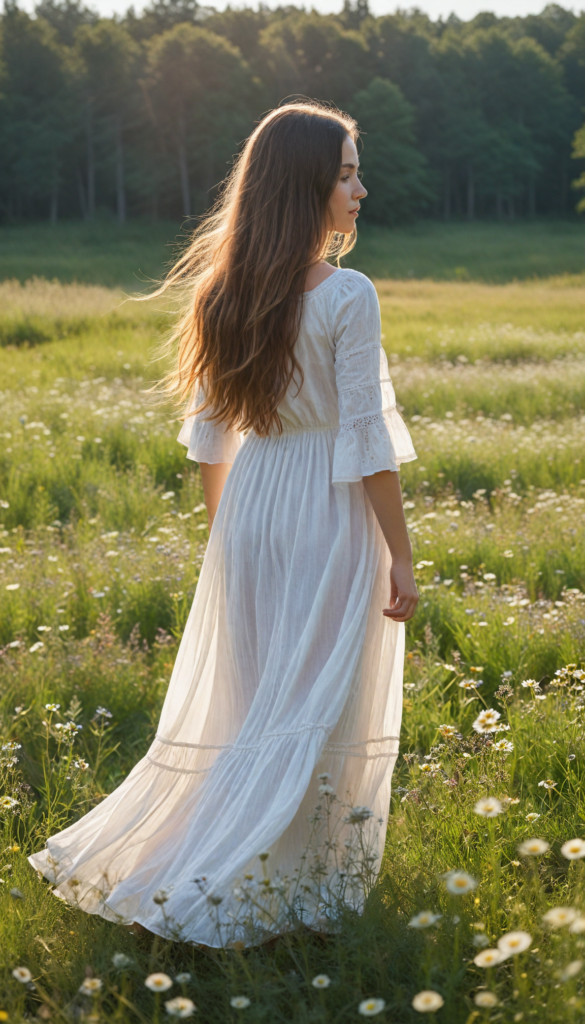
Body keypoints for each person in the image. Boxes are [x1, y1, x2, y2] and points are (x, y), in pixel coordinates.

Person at [29, 101, 418, 947]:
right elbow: (366, 440)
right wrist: (402, 555)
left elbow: (212, 438)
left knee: (257, 702)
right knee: (316, 701)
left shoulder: (222, 292)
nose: (360, 188)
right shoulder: (347, 293)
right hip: (325, 504)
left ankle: (222, 862)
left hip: (251, 507)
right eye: (346, 172)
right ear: (307, 184)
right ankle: (286, 885)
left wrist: (228, 538)